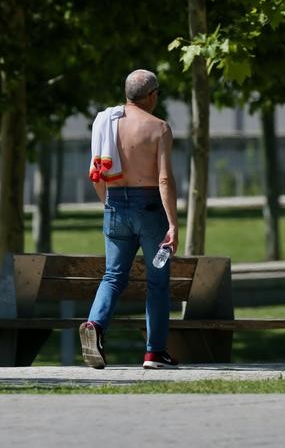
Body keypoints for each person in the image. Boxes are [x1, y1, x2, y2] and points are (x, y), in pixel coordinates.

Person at [79, 69, 179, 370]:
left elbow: (96, 174)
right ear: (151, 95)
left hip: (114, 204)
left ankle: (95, 324)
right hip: (149, 208)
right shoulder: (159, 128)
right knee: (158, 283)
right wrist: (173, 223)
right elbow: (164, 179)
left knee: (113, 275)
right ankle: (154, 353)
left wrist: (109, 206)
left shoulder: (105, 122)